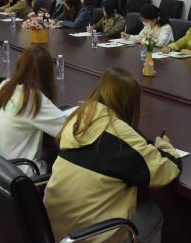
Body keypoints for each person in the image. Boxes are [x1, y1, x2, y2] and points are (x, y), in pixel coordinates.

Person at [44, 68, 182, 243]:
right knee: (152, 214)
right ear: (130, 103)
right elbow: (167, 169)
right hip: (88, 236)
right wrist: (165, 146)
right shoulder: (120, 136)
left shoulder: (77, 120)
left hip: (53, 229)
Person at [0, 46, 67, 176]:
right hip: (21, 176)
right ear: (47, 73)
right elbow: (71, 130)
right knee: (70, 159)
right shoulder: (32, 98)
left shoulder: (4, 85)